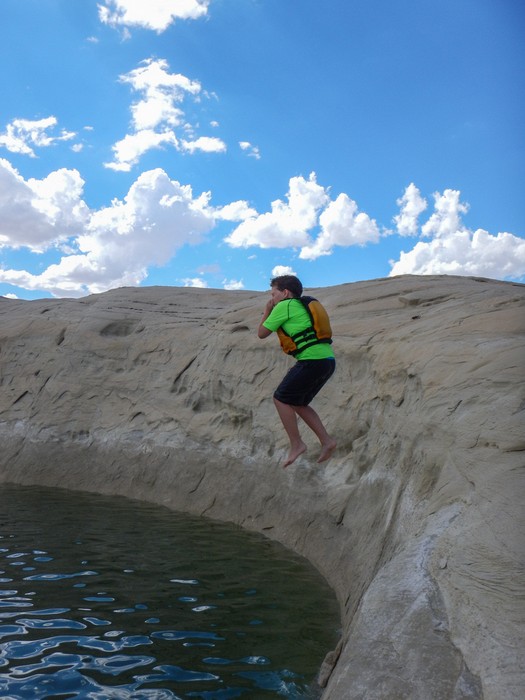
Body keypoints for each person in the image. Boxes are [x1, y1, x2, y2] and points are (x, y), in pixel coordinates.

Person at [258, 275, 336, 468]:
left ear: (285, 293)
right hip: (327, 360)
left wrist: (267, 310)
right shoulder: (299, 305)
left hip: (312, 360)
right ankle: (327, 441)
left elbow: (261, 333)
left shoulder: (284, 306)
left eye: (273, 294)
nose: (272, 298)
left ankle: (297, 444)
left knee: (280, 398)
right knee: (298, 403)